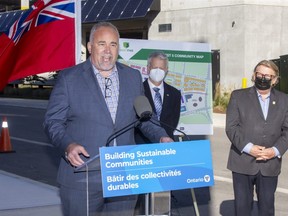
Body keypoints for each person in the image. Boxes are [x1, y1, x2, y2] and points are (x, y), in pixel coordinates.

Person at [43, 22, 173, 216]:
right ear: (89, 47)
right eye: (101, 43)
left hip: (124, 177)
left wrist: (161, 136)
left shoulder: (132, 77)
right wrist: (68, 145)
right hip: (83, 178)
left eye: (113, 44)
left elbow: (144, 117)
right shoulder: (70, 78)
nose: (107, 51)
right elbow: (52, 122)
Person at [226, 60, 288, 216]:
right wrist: (249, 148)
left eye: (268, 75)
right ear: (254, 75)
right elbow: (231, 127)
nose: (263, 78)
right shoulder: (238, 96)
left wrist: (274, 151)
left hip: (270, 164)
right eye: (260, 74)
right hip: (242, 162)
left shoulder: (284, 100)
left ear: (274, 80)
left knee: (267, 209)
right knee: (242, 209)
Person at [135, 51, 181, 143]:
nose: (158, 71)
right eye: (155, 68)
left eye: (161, 68)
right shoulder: (137, 91)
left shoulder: (175, 94)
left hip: (167, 144)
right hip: (142, 145)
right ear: (148, 68)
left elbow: (173, 122)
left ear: (166, 70)